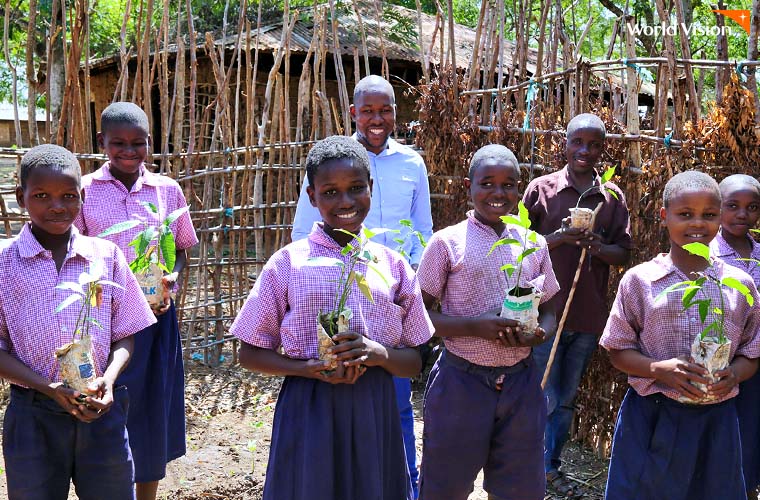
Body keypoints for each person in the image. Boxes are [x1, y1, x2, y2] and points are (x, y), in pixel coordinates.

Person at [232, 135, 433, 500]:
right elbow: (248, 352)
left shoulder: (392, 266)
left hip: (374, 407)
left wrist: (378, 352)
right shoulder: (289, 264)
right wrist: (306, 367)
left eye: (356, 188)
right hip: (309, 406)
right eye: (330, 192)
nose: (345, 202)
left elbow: (415, 362)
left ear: (371, 188)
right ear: (312, 197)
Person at [290, 74, 433, 496]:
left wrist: (407, 291)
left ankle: (402, 482)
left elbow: (422, 232)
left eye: (385, 109)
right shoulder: (332, 162)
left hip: (389, 295)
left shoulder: (412, 164)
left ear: (395, 113)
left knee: (396, 399)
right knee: (340, 391)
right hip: (340, 294)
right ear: (353, 113)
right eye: (367, 110)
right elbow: (303, 232)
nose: (376, 118)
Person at [0, 144, 155, 499]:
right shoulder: (5, 263)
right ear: (20, 197)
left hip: (100, 409)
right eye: (41, 195)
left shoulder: (105, 256)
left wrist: (110, 380)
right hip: (33, 413)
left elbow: (125, 335)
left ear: (82, 196)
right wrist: (47, 388)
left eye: (68, 196)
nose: (57, 206)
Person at [600, 170, 760, 500]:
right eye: (685, 215)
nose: (697, 224)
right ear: (664, 217)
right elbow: (617, 349)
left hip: (718, 419)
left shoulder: (738, 285)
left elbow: (751, 351)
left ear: (719, 219)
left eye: (709, 215)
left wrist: (733, 375)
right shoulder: (641, 282)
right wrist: (659, 370)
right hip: (653, 413)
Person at [417, 145, 559, 500]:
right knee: (445, 487)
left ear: (518, 190)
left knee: (519, 488)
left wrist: (540, 334)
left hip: (520, 383)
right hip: (461, 382)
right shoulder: (447, 244)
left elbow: (551, 308)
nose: (498, 193)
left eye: (508, 185)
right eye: (487, 184)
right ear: (469, 186)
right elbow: (419, 317)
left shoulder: (533, 244)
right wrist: (474, 326)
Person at [74, 102, 198, 500]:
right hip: (103, 323)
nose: (129, 152)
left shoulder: (167, 191)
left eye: (138, 144)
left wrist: (173, 278)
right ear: (101, 143)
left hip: (155, 320)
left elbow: (182, 247)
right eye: (118, 144)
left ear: (150, 143)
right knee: (104, 409)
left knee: (149, 415)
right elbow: (73, 253)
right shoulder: (84, 192)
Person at [522, 112, 632, 498]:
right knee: (540, 392)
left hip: (586, 315)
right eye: (577, 143)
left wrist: (597, 247)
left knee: (566, 399)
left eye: (594, 144)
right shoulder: (542, 190)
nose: (585, 151)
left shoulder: (611, 198)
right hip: (544, 311)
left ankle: (550, 466)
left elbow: (624, 253)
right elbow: (519, 246)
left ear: (603, 148)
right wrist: (560, 238)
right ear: (564, 143)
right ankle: (525, 463)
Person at [710, 174, 760, 498]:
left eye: (752, 207)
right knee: (727, 429)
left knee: (752, 428)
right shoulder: (706, 253)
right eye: (733, 206)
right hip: (725, 360)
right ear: (718, 208)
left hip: (757, 360)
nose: (742, 214)